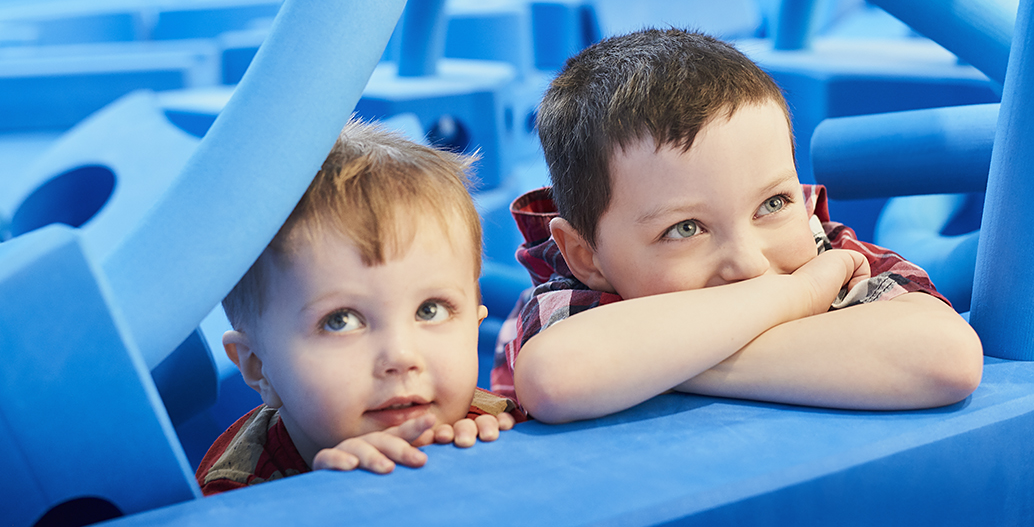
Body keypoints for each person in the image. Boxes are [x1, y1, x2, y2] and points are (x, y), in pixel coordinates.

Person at [491, 28, 983, 424]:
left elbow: (945, 358)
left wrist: (660, 364)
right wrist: (793, 296)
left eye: (772, 202)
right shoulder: (569, 293)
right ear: (586, 256)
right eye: (685, 229)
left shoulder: (820, 247)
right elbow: (557, 378)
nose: (749, 263)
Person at [197, 119, 524, 495]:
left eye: (430, 310)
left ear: (474, 327)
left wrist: (506, 464)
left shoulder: (496, 425)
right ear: (258, 366)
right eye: (341, 321)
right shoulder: (235, 493)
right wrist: (325, 505)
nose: (401, 356)